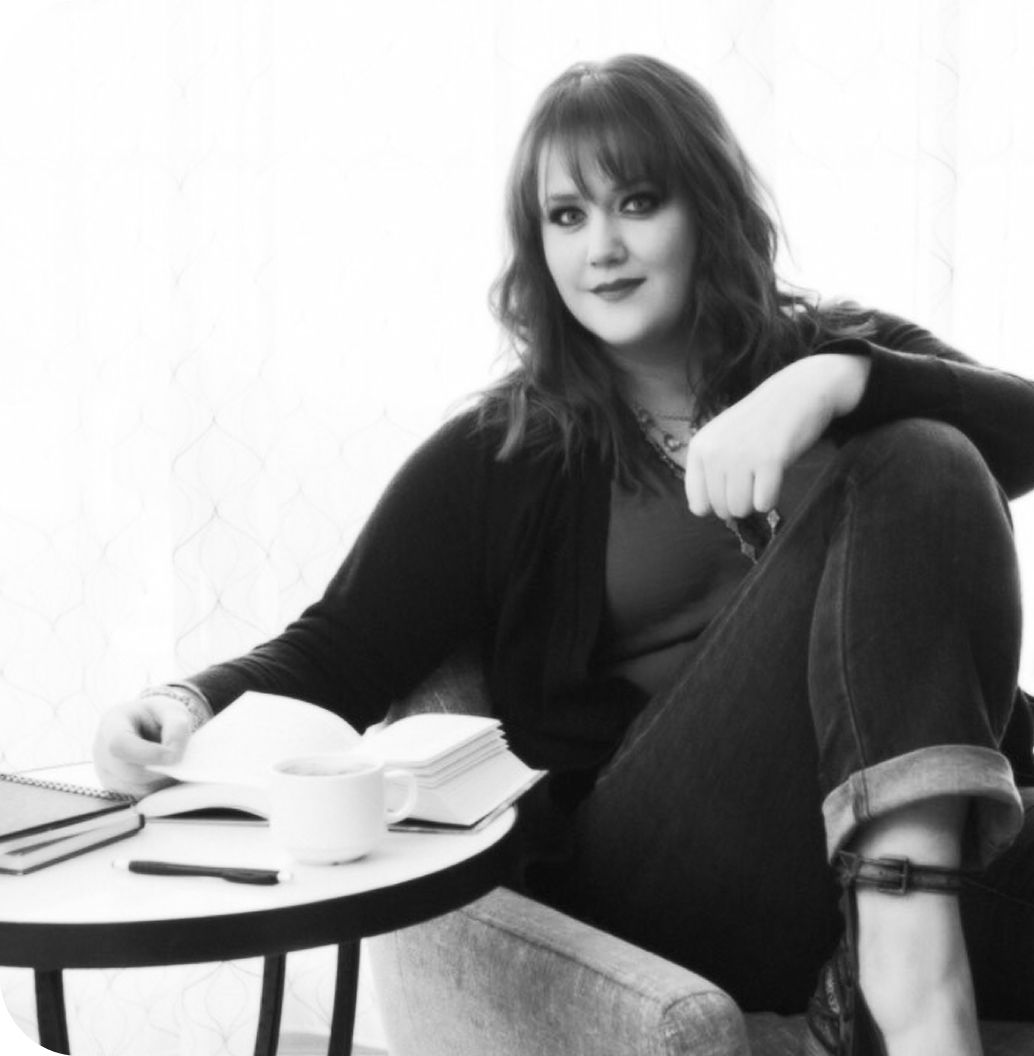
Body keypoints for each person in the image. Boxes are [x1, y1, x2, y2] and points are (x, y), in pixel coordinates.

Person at [94, 54, 1034, 1056]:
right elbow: (339, 646)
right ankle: (909, 974)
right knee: (924, 451)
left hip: (885, 838)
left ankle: (882, 946)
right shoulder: (503, 451)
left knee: (921, 446)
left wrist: (830, 383)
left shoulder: (829, 356)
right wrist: (183, 705)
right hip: (670, 867)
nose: (603, 248)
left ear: (704, 210)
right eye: (566, 216)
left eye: (637, 201)